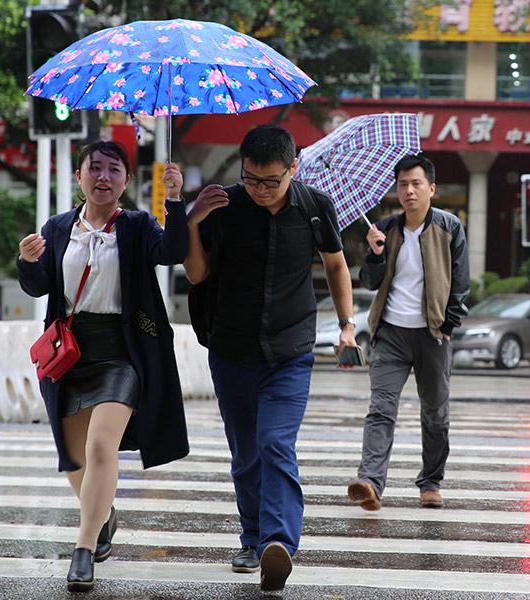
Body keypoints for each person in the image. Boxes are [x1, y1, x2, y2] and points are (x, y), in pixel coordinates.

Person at [183, 125, 358, 592]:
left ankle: (278, 543)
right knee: (245, 453)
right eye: (251, 179)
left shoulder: (315, 207)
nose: (259, 190)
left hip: (290, 350)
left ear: (293, 169)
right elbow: (197, 275)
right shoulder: (223, 205)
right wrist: (192, 222)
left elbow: (336, 264)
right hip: (232, 348)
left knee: (275, 443)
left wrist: (346, 326)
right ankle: (251, 536)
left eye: (270, 181)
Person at [17, 141, 191, 592]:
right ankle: (104, 515)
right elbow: (39, 288)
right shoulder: (57, 229)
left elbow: (172, 251)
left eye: (114, 170)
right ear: (79, 176)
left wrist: (174, 199)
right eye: (94, 168)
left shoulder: (135, 225)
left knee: (99, 448)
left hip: (121, 352)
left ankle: (84, 549)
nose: (103, 177)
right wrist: (27, 260)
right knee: (73, 457)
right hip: (69, 353)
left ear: (126, 181)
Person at [347, 154, 469, 512]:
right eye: (403, 185)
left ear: (431, 188)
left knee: (435, 414)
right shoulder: (385, 229)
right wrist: (373, 253)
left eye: (416, 184)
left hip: (433, 334)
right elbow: (369, 283)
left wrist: (448, 323)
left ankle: (430, 482)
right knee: (381, 409)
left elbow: (461, 280)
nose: (409, 191)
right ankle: (370, 481)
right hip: (391, 333)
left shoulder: (450, 227)